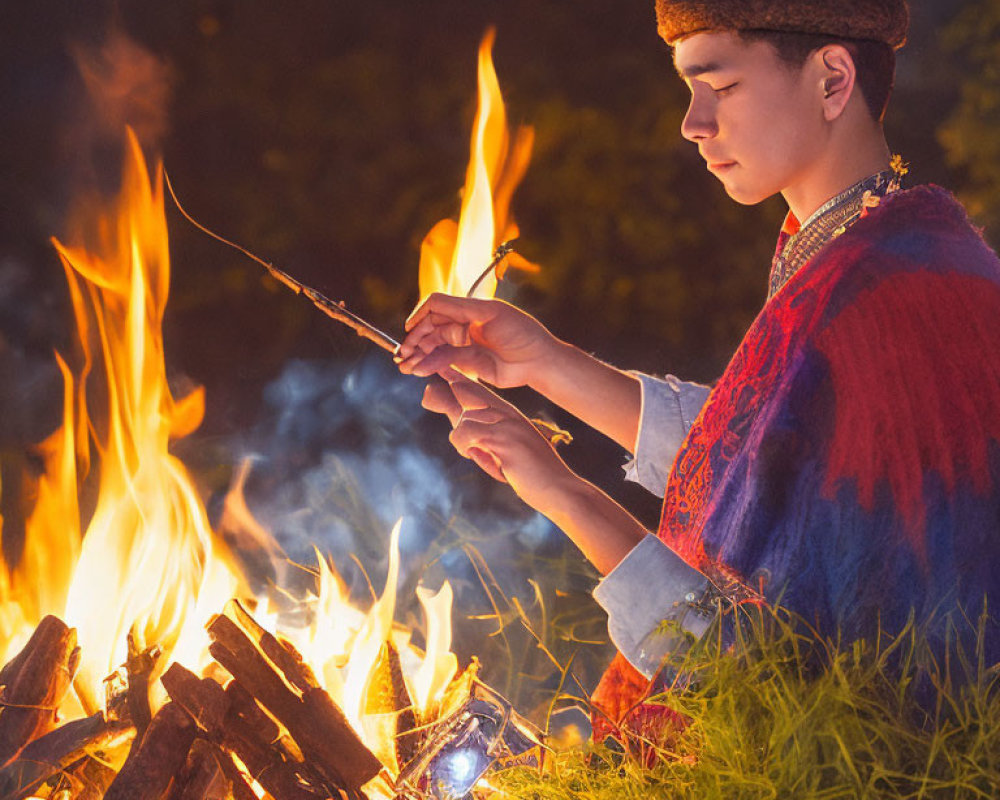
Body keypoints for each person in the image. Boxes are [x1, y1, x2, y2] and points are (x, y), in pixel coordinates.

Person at [396, 0, 1000, 734]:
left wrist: (562, 490)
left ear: (833, 80)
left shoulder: (901, 301)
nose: (694, 122)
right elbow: (765, 456)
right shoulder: (855, 253)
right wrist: (547, 365)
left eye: (723, 85)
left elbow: (773, 687)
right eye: (690, 88)